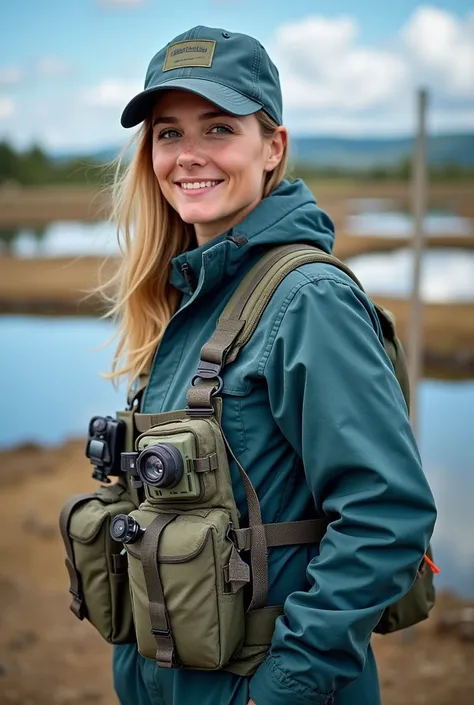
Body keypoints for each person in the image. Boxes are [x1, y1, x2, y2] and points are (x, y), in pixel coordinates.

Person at [108, 25, 437, 705]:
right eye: (168, 133)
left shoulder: (308, 299)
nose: (188, 156)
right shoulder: (191, 295)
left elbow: (387, 515)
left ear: (272, 148)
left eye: (219, 128)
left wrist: (283, 689)